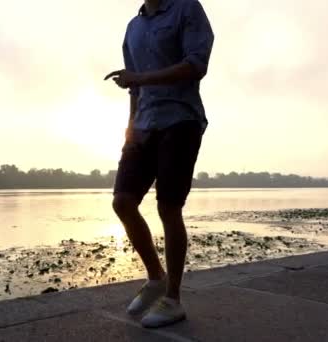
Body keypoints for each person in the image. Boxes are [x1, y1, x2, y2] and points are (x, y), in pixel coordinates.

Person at [104, 0, 214, 328]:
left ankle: (173, 299)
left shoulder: (186, 9)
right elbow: (134, 87)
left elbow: (196, 65)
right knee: (122, 201)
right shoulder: (133, 28)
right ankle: (155, 277)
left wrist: (140, 77)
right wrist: (129, 128)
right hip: (144, 124)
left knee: (168, 206)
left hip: (181, 119)